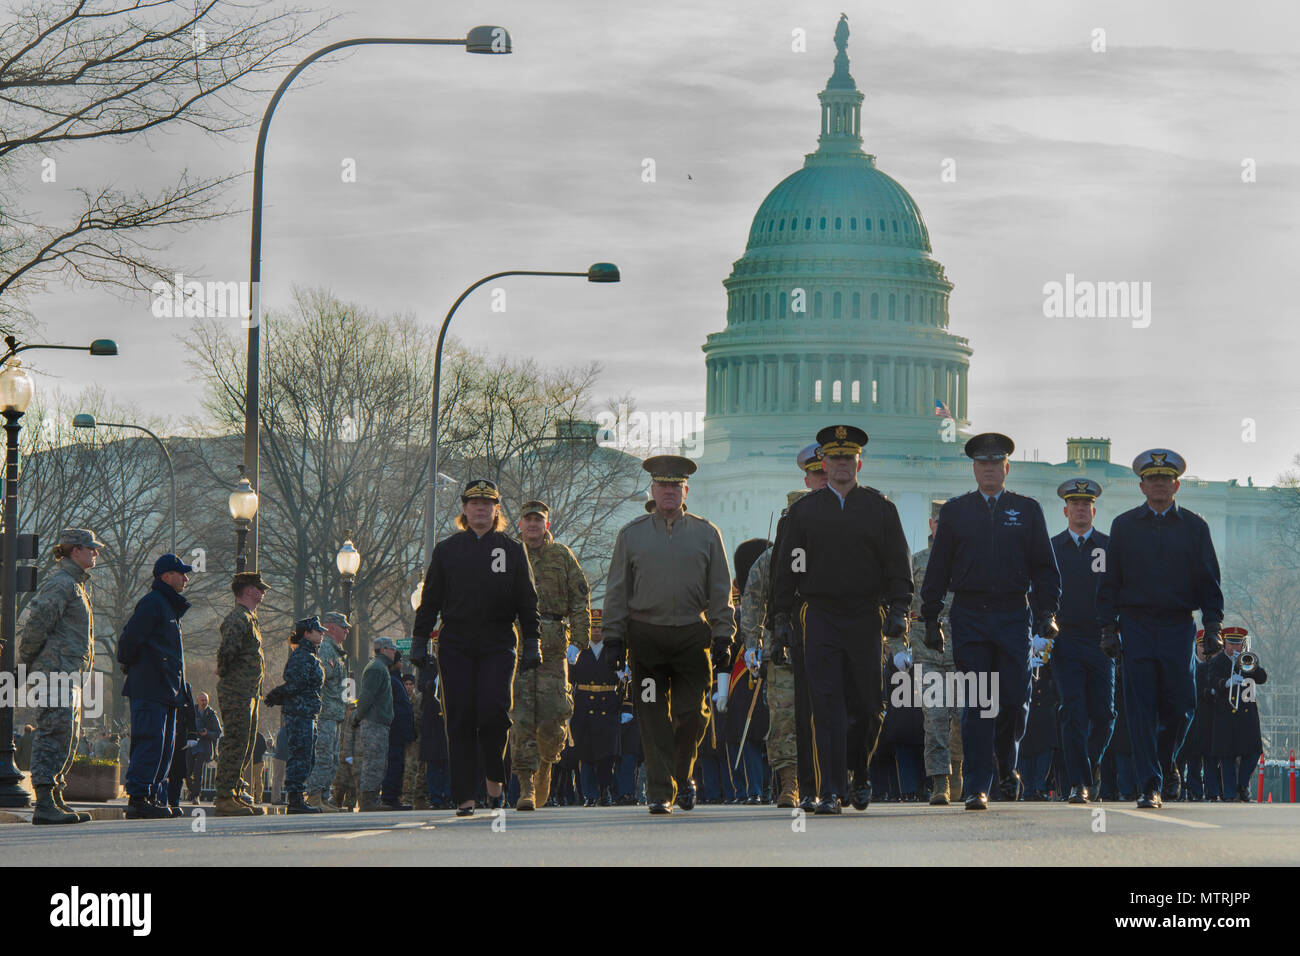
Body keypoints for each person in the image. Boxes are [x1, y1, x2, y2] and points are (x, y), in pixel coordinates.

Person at [771, 426, 913, 814]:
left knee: (870, 706)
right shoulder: (803, 513)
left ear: (858, 463)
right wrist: (781, 617)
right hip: (818, 616)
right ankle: (831, 790)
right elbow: (786, 570)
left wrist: (900, 608)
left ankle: (860, 772)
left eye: (848, 460)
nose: (841, 467)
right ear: (825, 463)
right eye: (834, 460)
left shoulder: (880, 509)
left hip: (866, 615)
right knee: (827, 706)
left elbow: (898, 565)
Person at [920, 433, 1061, 811]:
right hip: (970, 615)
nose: (989, 470)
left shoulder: (1027, 510)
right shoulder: (955, 512)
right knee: (978, 700)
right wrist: (930, 616)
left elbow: (1045, 568)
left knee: (1014, 699)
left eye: (995, 464)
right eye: (982, 464)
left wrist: (1047, 614)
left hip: (1014, 613)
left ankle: (1006, 763)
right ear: (974, 469)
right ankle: (977, 784)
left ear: (1006, 468)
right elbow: (937, 569)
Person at [603, 455, 735, 815]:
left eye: (675, 486)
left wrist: (723, 636)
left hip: (692, 638)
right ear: (653, 489)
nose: (669, 492)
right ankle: (660, 792)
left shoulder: (706, 534)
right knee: (652, 715)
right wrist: (613, 637)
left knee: (693, 712)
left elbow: (720, 590)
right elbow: (616, 590)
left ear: (685, 490)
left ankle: (681, 776)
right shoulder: (632, 535)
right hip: (647, 640)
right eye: (663, 486)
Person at [1097, 448, 1224, 809]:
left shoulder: (1195, 527)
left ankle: (1166, 763)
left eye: (1165, 480)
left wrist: (1213, 626)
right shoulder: (1123, 526)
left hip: (1178, 626)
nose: (1159, 485)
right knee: (1140, 708)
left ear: (1177, 485)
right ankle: (1149, 784)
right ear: (1141, 486)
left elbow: (1209, 582)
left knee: (1182, 704)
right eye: (1152, 479)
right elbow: (1110, 583)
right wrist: (1107, 628)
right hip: (1136, 626)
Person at [411, 478, 541, 817]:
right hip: (456, 643)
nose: (480, 508)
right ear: (464, 509)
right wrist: (419, 640)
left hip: (498, 642)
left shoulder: (512, 550)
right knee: (460, 719)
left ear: (497, 509)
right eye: (474, 502)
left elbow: (528, 602)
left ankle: (495, 777)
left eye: (487, 502)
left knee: (494, 713)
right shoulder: (448, 550)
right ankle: (465, 796)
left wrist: (533, 643)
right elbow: (430, 602)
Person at [18, 528, 104, 825]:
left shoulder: (75, 585)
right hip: (55, 672)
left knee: (66, 734)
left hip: (69, 673)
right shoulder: (62, 583)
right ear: (74, 550)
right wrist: (26, 660)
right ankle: (44, 803)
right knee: (53, 732)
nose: (96, 552)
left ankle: (54, 797)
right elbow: (38, 623)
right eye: (91, 548)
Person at [511, 499, 591, 811]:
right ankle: (526, 785)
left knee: (553, 717)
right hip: (517, 646)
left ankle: (546, 762)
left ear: (547, 524)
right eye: (528, 520)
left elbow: (580, 601)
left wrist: (579, 642)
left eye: (538, 520)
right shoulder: (509, 554)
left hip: (555, 647)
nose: (533, 525)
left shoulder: (562, 556)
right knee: (521, 718)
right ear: (520, 524)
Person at [1049, 478, 1115, 804]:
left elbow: (1119, 590)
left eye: (1084, 504)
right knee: (1072, 711)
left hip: (1101, 639)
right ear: (1065, 510)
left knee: (1104, 715)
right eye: (1073, 504)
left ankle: (1089, 766)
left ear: (1093, 509)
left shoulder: (1106, 547)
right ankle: (1079, 782)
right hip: (1066, 640)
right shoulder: (1052, 548)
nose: (1079, 509)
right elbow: (1041, 593)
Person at [119, 553, 194, 819]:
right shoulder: (153, 604)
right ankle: (139, 798)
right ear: (165, 576)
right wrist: (146, 670)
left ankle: (153, 796)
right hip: (151, 687)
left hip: (166, 689)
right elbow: (127, 645)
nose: (186, 578)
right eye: (181, 573)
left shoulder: (167, 606)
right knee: (151, 741)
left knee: (165, 746)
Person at [740, 515, 800, 807]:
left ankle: (827, 780)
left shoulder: (830, 551)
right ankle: (789, 782)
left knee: (826, 716)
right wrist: (752, 643)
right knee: (783, 718)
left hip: (823, 646)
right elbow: (751, 603)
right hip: (781, 649)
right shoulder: (769, 560)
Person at [910, 500, 963, 806]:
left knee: (961, 715)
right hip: (926, 649)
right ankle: (940, 781)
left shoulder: (966, 561)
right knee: (935, 717)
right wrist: (898, 646)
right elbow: (903, 606)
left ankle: (958, 770)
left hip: (960, 650)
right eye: (939, 524)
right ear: (931, 525)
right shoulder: (916, 562)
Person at [213, 571, 271, 817]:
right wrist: (231, 679)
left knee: (245, 744)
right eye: (259, 588)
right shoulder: (239, 618)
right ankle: (225, 796)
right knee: (235, 741)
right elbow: (226, 654)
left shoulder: (250, 618)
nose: (263, 592)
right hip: (237, 691)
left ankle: (235, 792)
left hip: (247, 691)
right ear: (248, 590)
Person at [1206, 627, 1267, 802]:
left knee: (1254, 751)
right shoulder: (1217, 662)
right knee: (1227, 756)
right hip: (1226, 714)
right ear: (1224, 643)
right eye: (1231, 643)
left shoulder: (1247, 660)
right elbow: (1211, 680)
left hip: (1247, 715)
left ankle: (1242, 784)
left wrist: (1250, 667)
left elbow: (1262, 678)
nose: (1235, 647)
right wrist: (1226, 682)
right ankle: (1231, 794)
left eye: (1238, 644)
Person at [273, 616, 326, 813]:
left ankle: (297, 798)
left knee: (307, 757)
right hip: (299, 713)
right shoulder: (302, 656)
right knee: (300, 756)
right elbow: (295, 686)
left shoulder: (309, 655)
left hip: (307, 713)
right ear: (307, 633)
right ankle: (295, 801)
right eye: (317, 630)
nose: (321, 633)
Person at [570, 609, 621, 806]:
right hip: (584, 706)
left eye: (600, 627)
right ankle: (589, 794)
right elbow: (569, 679)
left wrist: (625, 706)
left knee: (607, 756)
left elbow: (625, 682)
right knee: (586, 755)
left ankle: (605, 791)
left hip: (607, 706)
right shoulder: (578, 650)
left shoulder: (613, 650)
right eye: (593, 627)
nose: (596, 631)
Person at [304, 611, 349, 811]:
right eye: (343, 626)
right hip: (325, 714)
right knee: (324, 756)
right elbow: (320, 681)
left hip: (335, 713)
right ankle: (314, 797)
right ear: (331, 627)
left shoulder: (336, 652)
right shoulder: (326, 651)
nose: (347, 630)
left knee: (332, 758)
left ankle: (323, 797)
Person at [354, 636, 398, 811]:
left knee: (378, 763)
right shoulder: (377, 669)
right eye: (392, 648)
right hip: (374, 723)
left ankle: (372, 799)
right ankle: (368, 801)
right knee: (373, 763)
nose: (395, 651)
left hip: (378, 723)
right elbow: (367, 696)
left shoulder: (380, 668)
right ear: (384, 649)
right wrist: (358, 716)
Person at [382, 653, 415, 810]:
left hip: (400, 732)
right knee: (394, 765)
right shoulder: (392, 680)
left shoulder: (396, 680)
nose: (401, 663)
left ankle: (393, 797)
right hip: (395, 730)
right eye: (399, 660)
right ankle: (390, 797)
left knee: (398, 765)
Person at [185, 692, 221, 802]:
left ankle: (196, 795)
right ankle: (192, 791)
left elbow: (218, 732)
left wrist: (207, 733)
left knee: (198, 771)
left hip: (203, 747)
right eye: (202, 700)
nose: (204, 702)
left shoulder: (211, 714)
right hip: (190, 745)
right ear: (197, 700)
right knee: (187, 771)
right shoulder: (191, 712)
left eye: (205, 700)